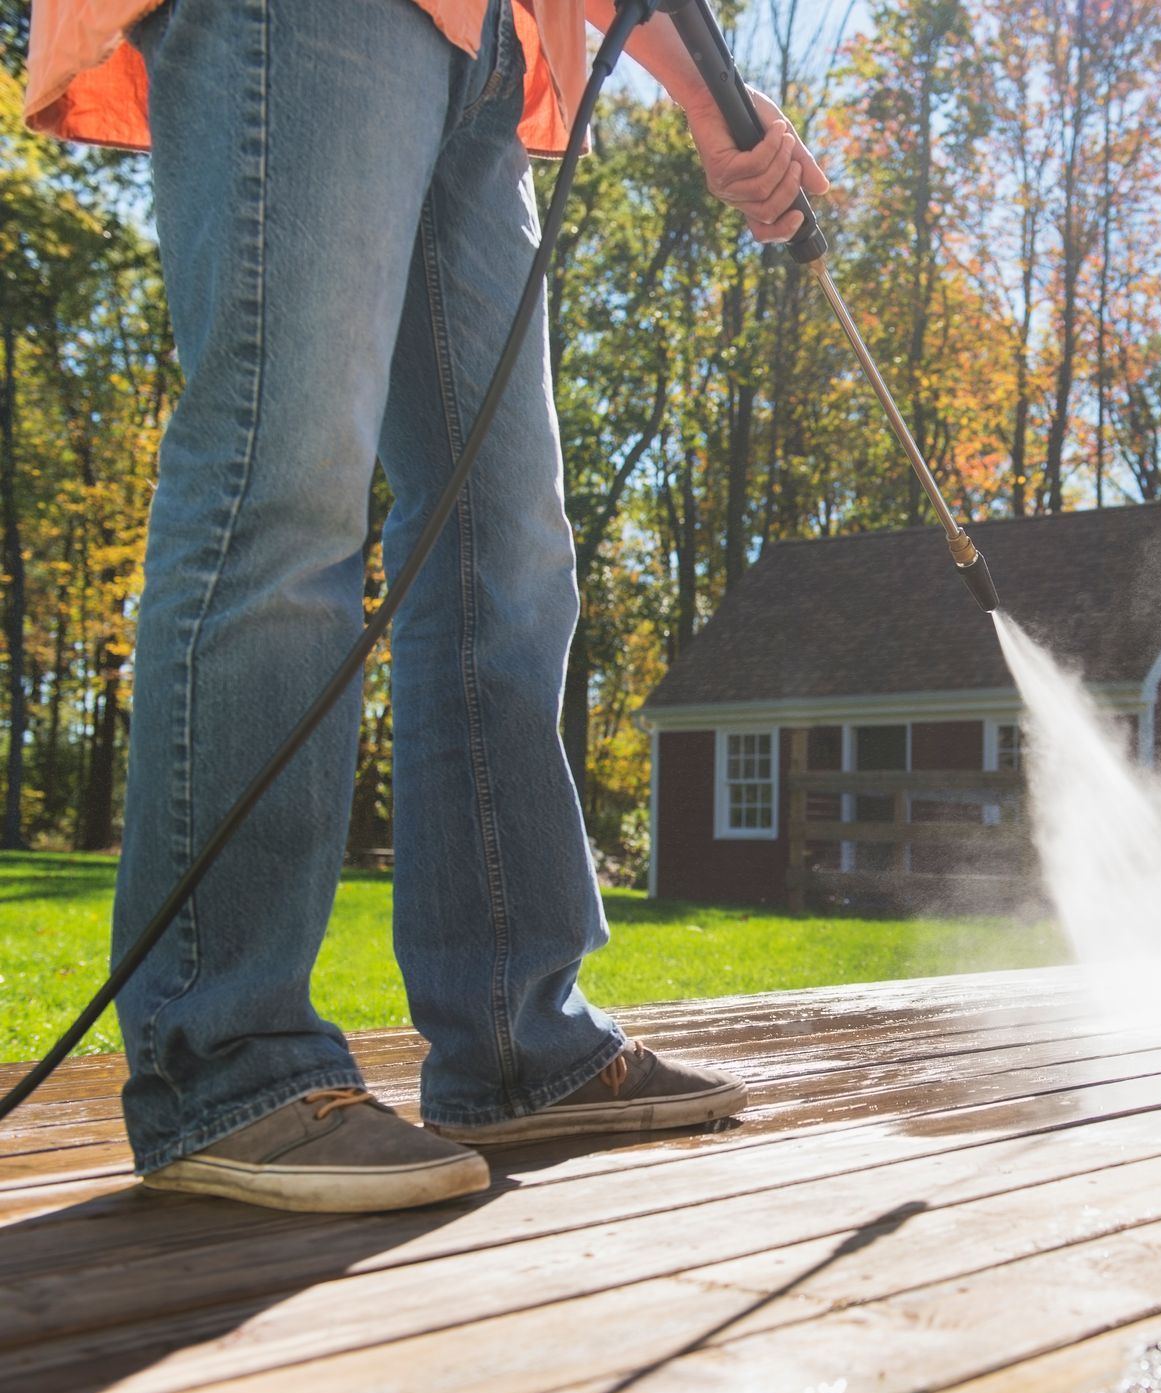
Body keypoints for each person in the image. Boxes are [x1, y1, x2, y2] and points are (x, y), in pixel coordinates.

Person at [22, 0, 830, 1213]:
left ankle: (520, 1038)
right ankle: (225, 1060)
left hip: (496, 49)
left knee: (506, 550)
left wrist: (713, 95)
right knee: (283, 486)